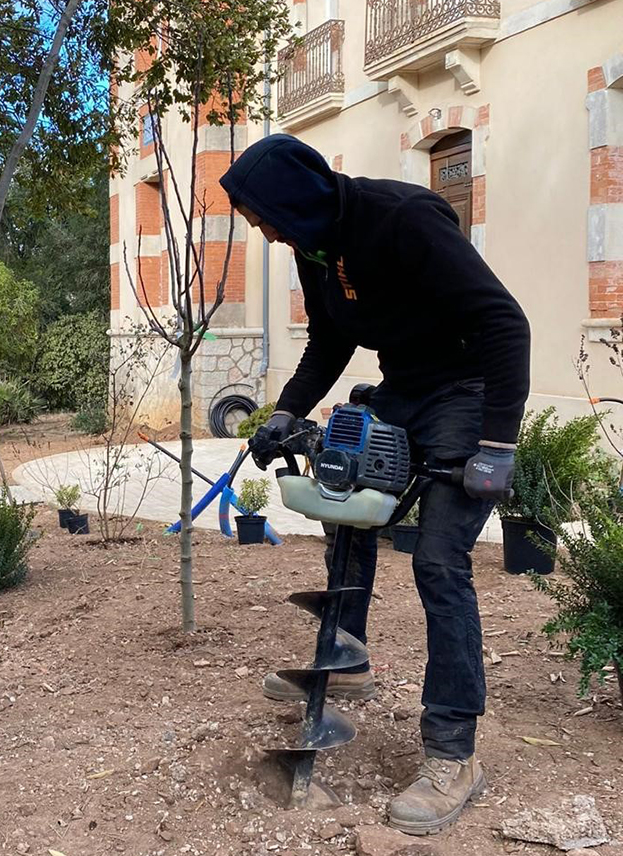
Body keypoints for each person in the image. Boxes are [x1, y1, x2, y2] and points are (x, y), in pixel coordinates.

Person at [220, 135, 530, 835]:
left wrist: (498, 445)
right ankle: (349, 657)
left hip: (468, 391)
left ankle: (454, 755)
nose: (265, 234)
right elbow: (329, 341)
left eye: (263, 218)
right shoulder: (314, 246)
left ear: (294, 200)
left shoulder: (403, 219)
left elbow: (505, 322)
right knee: (344, 505)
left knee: (439, 561)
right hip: (404, 390)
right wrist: (286, 414)